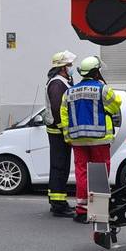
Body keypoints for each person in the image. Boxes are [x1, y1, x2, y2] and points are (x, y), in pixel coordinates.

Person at [59, 55, 123, 223]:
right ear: (96, 72)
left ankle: (81, 210)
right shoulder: (102, 89)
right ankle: (98, 211)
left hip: (78, 140)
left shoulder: (69, 92)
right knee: (100, 174)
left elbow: (64, 116)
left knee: (81, 173)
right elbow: (115, 105)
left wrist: (68, 137)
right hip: (99, 139)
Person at [44, 50, 77, 218]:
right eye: (70, 65)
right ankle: (59, 205)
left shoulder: (63, 81)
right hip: (58, 131)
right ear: (63, 67)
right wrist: (65, 131)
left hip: (59, 130)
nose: (72, 67)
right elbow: (57, 109)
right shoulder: (57, 84)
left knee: (60, 166)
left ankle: (56, 200)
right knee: (60, 166)